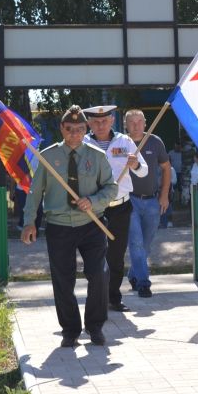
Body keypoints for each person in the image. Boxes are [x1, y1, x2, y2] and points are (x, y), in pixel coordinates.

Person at [21, 105, 118, 348]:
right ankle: (70, 330)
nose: (74, 133)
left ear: (86, 129)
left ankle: (95, 327)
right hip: (59, 226)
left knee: (99, 275)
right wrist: (29, 222)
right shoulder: (48, 156)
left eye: (79, 129)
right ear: (62, 129)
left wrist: (93, 201)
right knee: (63, 280)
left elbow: (111, 187)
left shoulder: (96, 156)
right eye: (69, 129)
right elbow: (35, 192)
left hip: (91, 224)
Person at [83, 104, 148, 314]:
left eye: (105, 121)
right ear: (89, 123)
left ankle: (113, 297)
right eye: (96, 122)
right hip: (94, 209)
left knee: (116, 256)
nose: (100, 125)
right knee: (94, 256)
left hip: (120, 207)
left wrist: (135, 164)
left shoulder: (125, 141)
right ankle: (96, 297)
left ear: (112, 121)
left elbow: (143, 171)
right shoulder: (83, 143)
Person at [124, 109, 171, 298]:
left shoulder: (155, 141)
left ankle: (133, 274)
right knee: (135, 242)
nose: (136, 126)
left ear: (145, 123)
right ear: (126, 124)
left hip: (152, 200)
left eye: (139, 122)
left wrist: (164, 195)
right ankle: (144, 283)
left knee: (146, 243)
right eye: (131, 122)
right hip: (129, 200)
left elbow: (166, 168)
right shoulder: (121, 143)